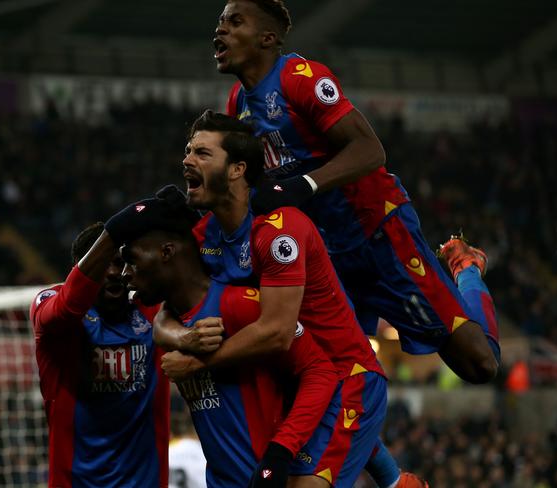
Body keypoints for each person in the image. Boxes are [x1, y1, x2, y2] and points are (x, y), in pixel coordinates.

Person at [214, 0, 499, 386]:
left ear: (268, 38)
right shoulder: (237, 103)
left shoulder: (301, 77)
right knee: (326, 374)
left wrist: (305, 185)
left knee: (478, 366)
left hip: (377, 232)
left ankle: (466, 269)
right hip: (328, 255)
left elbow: (369, 149)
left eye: (235, 22)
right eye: (221, 22)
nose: (221, 30)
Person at [149, 110, 388, 487]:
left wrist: (198, 362)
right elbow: (165, 315)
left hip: (345, 379)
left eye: (202, 153)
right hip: (292, 383)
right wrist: (185, 339)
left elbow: (277, 332)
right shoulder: (204, 233)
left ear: (237, 169)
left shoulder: (279, 230)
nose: (187, 160)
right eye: (188, 151)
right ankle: (393, 477)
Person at [106, 192, 340, 488]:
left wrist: (281, 451)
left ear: (166, 252)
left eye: (132, 260)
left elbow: (321, 372)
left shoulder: (240, 305)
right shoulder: (172, 322)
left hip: (267, 478)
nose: (125, 274)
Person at [29, 222, 170, 488]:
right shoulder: (50, 303)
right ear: (81, 270)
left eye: (121, 262)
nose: (115, 272)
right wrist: (115, 231)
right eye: (105, 263)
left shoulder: (152, 312)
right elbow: (64, 311)